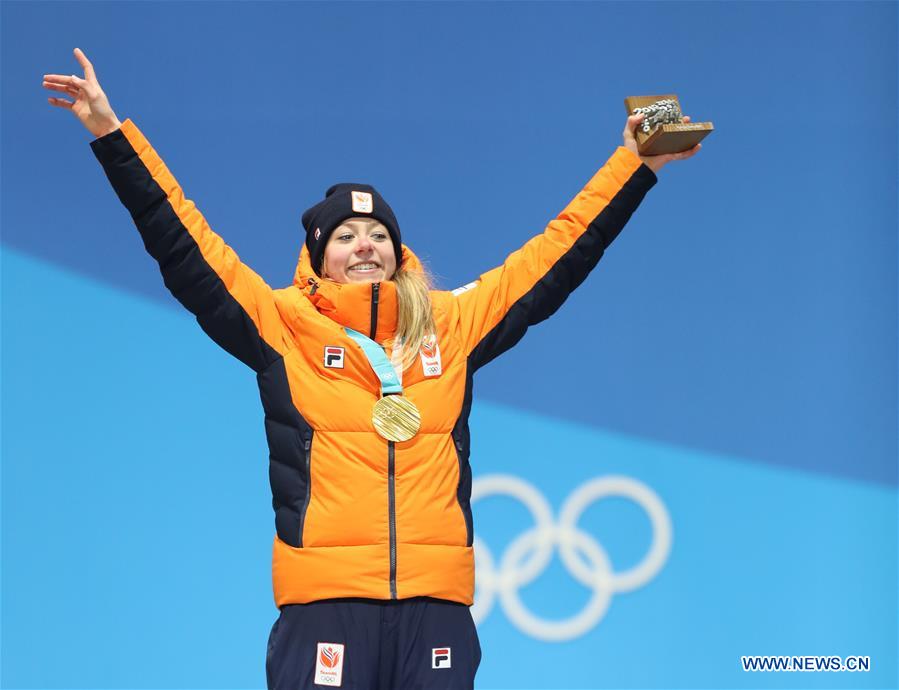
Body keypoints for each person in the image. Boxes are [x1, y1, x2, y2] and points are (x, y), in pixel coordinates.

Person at [44, 47, 700, 690]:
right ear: (318, 257)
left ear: (398, 253)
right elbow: (180, 235)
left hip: (436, 608)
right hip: (325, 603)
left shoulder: (452, 323)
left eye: (379, 234)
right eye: (346, 235)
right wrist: (110, 132)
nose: (365, 244)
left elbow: (561, 247)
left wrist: (634, 162)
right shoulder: (280, 324)